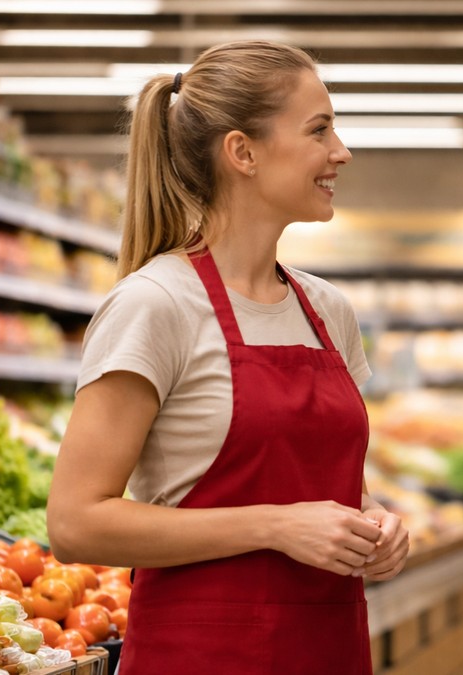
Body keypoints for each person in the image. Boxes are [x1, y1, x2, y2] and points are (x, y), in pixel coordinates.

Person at [46, 41, 408, 674]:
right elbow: (76, 523)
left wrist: (374, 524)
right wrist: (274, 526)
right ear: (242, 152)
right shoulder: (155, 304)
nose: (341, 151)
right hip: (200, 654)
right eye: (319, 129)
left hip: (329, 649)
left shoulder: (327, 311)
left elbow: (334, 490)